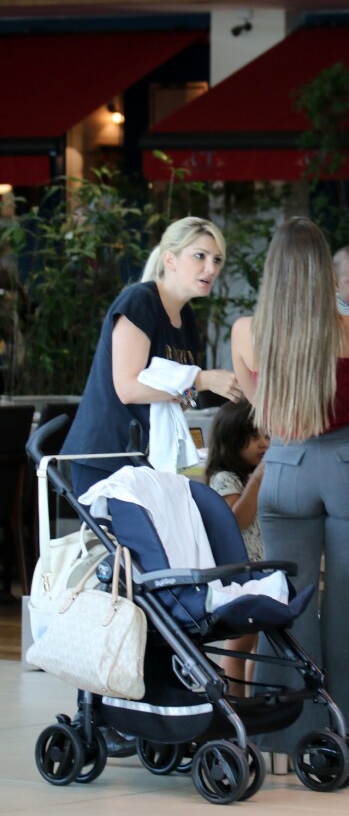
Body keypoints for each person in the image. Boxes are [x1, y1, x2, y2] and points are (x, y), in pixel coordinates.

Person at [61, 216, 242, 756]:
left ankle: (148, 705)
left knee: (156, 585)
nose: (209, 269)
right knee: (123, 587)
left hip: (150, 466)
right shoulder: (140, 301)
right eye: (200, 257)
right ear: (170, 257)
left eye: (216, 261)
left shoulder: (183, 319)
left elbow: (169, 395)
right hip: (108, 460)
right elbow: (127, 384)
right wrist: (203, 379)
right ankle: (101, 705)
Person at [231, 216, 349, 757]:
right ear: (323, 272)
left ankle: (289, 736)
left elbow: (258, 407)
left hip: (286, 471)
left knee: (291, 605)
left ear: (273, 272)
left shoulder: (246, 333)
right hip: (348, 467)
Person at [204, 398, 269, 698]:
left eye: (265, 436)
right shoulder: (225, 478)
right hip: (240, 576)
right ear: (231, 441)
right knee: (240, 642)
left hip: (259, 572)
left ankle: (251, 701)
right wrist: (256, 481)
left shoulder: (246, 477)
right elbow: (236, 521)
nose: (262, 443)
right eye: (253, 436)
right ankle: (236, 703)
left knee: (256, 641)